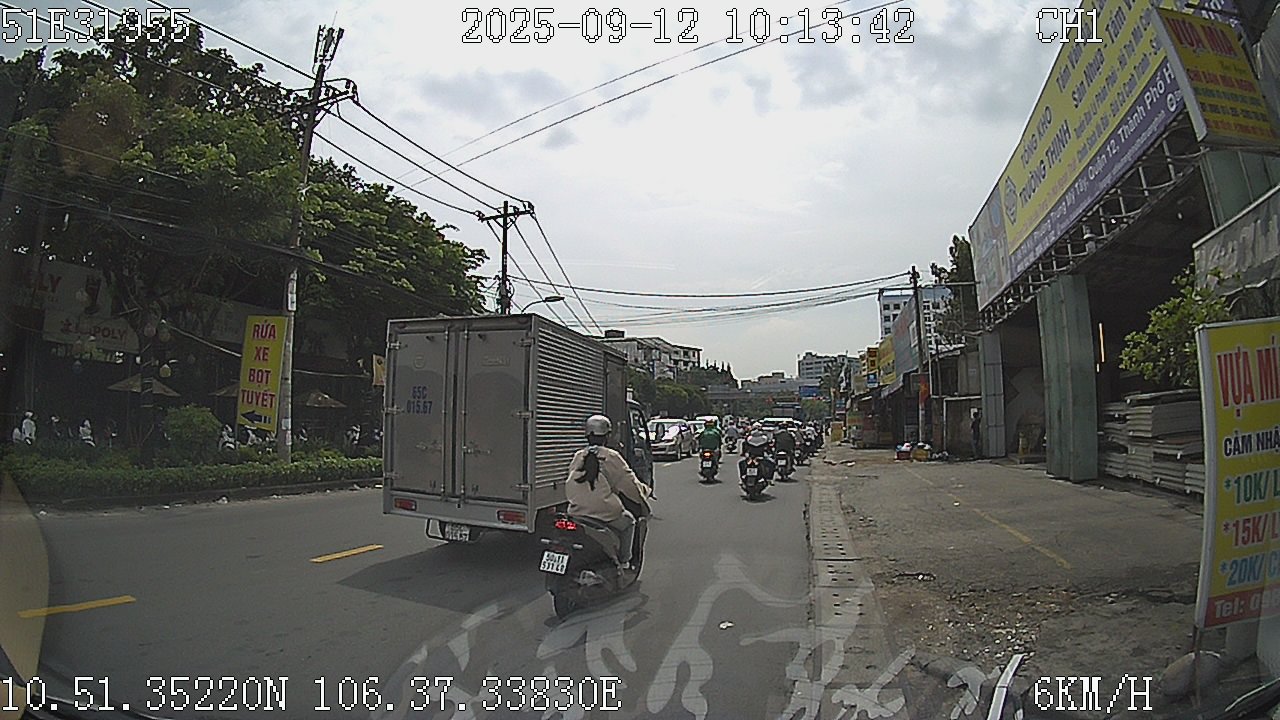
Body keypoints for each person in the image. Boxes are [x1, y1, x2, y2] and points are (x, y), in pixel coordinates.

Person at [565, 414, 651, 569]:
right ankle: (624, 563)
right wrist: (643, 493)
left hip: (576, 512)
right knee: (629, 522)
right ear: (607, 436)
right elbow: (630, 485)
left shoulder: (578, 456)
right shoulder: (611, 457)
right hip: (604, 513)